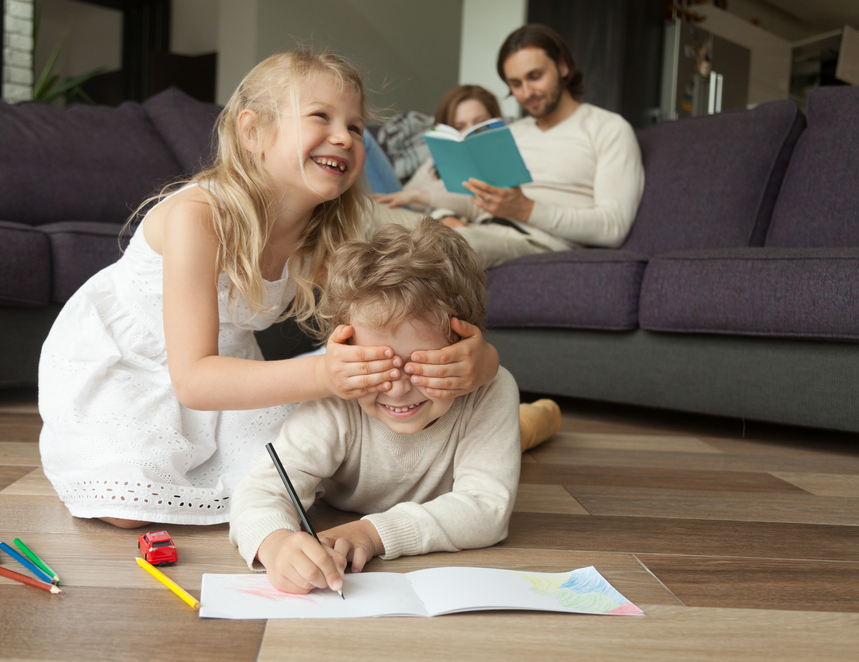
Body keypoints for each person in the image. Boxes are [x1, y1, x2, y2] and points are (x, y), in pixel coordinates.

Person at [37, 49, 502, 530]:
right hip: (136, 362)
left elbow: (385, 327)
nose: (344, 137)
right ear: (252, 131)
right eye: (321, 117)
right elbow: (194, 380)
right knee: (127, 507)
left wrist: (480, 360)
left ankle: (512, 430)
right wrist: (327, 376)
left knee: (299, 474)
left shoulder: (329, 235)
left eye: (357, 127)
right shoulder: (199, 217)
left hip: (227, 369)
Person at [229, 219, 521, 595]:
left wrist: (373, 532)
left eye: (423, 366)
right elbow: (260, 491)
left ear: (465, 348)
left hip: (484, 428)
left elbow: (487, 510)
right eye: (377, 369)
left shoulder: (491, 392)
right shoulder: (335, 398)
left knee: (523, 431)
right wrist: (275, 544)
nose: (398, 390)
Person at [383, 24, 645, 270]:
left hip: (532, 241)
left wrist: (526, 209)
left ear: (563, 66)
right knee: (366, 217)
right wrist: (417, 197)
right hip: (482, 228)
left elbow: (613, 227)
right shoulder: (511, 133)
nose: (527, 92)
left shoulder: (608, 128)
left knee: (434, 246)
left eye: (535, 76)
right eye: (516, 84)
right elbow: (481, 201)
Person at [372, 85, 502, 220]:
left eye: (480, 123)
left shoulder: (503, 162)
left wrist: (425, 197)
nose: (470, 133)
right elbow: (403, 198)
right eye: (459, 127)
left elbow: (481, 205)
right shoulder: (435, 165)